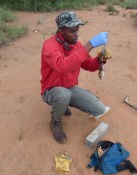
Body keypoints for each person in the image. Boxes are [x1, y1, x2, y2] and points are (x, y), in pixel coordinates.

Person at [40, 11, 113, 144]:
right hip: (51, 90)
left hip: (69, 88)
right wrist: (90, 44)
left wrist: (99, 60)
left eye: (77, 30)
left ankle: (64, 103)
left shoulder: (76, 45)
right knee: (63, 95)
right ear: (61, 31)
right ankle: (55, 122)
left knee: (99, 109)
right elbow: (63, 66)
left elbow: (87, 65)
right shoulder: (49, 45)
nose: (76, 34)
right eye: (72, 31)